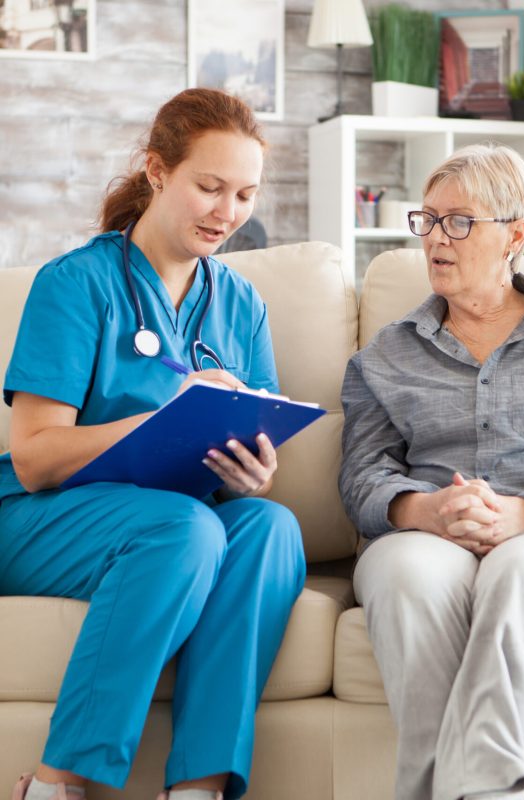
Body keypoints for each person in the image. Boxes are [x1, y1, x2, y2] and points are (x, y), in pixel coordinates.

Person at [1, 88, 306, 800]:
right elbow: (38, 456)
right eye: (209, 187)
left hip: (175, 516)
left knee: (269, 526)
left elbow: (254, 431)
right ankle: (58, 783)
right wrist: (156, 419)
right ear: (157, 171)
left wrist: (253, 470)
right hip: (39, 517)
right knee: (185, 528)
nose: (226, 213)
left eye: (244, 194)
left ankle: (196, 789)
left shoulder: (241, 303)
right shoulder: (76, 284)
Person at [339, 144, 524, 800]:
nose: (436, 239)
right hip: (426, 533)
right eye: (429, 220)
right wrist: (428, 512)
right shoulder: (384, 355)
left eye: (459, 222)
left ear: (514, 233)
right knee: (406, 574)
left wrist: (520, 515)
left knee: (519, 569)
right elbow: (361, 475)